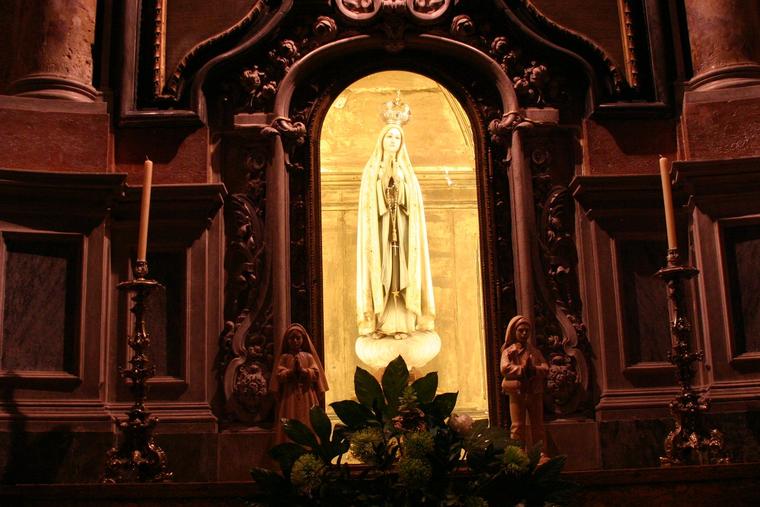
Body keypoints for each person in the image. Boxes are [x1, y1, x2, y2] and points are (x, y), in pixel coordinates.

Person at [356, 120, 435, 340]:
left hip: (402, 230)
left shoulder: (407, 171)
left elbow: (413, 205)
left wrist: (401, 186)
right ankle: (380, 323)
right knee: (383, 273)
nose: (393, 141)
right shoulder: (372, 170)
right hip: (381, 232)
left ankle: (403, 323)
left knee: (402, 272)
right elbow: (370, 205)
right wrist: (384, 181)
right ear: (381, 140)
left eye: (397, 137)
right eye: (389, 136)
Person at [270, 323, 328, 444]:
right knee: (289, 418)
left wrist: (304, 371)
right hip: (289, 397)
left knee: (308, 420)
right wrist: (291, 372)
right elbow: (279, 375)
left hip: (307, 395)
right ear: (287, 341)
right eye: (292, 338)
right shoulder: (285, 358)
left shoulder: (308, 357)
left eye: (298, 338)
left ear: (303, 339)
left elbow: (316, 373)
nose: (295, 341)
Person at [500, 315, 549, 452]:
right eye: (521, 330)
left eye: (527, 331)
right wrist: (522, 369)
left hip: (534, 391)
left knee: (537, 425)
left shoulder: (534, 352)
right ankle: (518, 455)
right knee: (517, 426)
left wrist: (534, 370)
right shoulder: (509, 352)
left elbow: (545, 367)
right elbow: (504, 368)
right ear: (514, 332)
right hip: (517, 392)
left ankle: (541, 453)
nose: (524, 333)